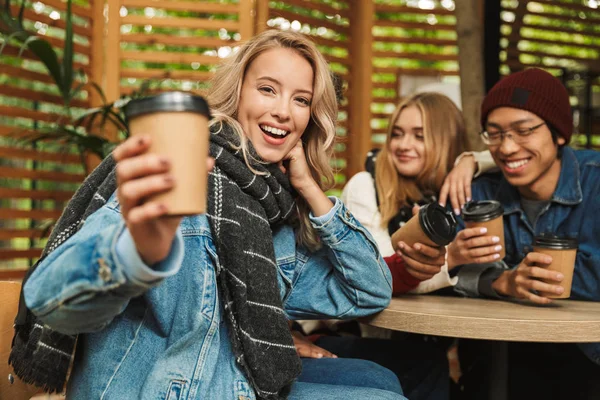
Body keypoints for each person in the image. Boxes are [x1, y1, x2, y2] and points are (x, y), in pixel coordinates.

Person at [15, 30, 405, 400]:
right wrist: (135, 251)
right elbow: (56, 301)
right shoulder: (180, 177)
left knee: (379, 381)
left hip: (225, 384)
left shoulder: (270, 213)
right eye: (268, 89)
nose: (284, 112)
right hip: (153, 390)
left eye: (301, 99)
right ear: (237, 94)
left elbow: (369, 291)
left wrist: (310, 189)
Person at [293, 92, 501, 400]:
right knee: (427, 367)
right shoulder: (367, 185)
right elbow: (376, 277)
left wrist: (470, 161)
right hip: (344, 331)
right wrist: (451, 258)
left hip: (418, 345)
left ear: (447, 141)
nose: (403, 145)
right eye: (398, 134)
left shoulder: (453, 193)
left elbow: (514, 156)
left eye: (420, 136)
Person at [449, 68, 600, 400]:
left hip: (588, 358)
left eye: (523, 131)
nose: (506, 147)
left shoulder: (595, 183)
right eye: (495, 134)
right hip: (504, 358)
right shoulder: (478, 193)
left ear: (559, 134)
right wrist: (501, 282)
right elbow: (447, 271)